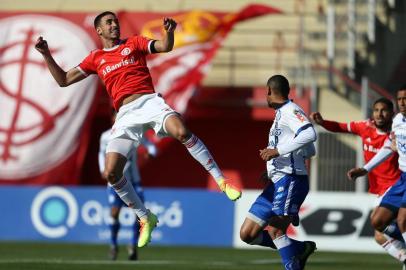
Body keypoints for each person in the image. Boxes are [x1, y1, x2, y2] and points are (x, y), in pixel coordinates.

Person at [34, 11, 241, 248]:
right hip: (125, 115)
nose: (114, 25)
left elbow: (164, 46)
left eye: (115, 21)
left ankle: (222, 181)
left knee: (182, 131)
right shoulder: (96, 58)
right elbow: (63, 80)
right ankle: (146, 218)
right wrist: (46, 54)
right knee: (112, 173)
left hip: (150, 102)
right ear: (99, 30)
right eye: (109, 22)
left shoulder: (133, 42)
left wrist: (169, 33)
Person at [310, 98, 406, 263]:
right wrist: (323, 122)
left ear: (392, 113)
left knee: (379, 222)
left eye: (384, 110)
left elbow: (391, 149)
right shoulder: (364, 127)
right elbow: (341, 127)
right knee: (379, 236)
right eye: (376, 110)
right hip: (379, 189)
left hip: (395, 185)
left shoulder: (398, 131)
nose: (379, 114)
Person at [239, 75, 317, 270]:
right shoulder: (280, 115)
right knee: (247, 234)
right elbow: (310, 150)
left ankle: (293, 264)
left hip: (291, 179)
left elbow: (310, 134)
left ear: (269, 91)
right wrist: (273, 169)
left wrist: (278, 151)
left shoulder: (291, 110)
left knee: (275, 229)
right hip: (276, 181)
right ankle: (299, 248)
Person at [348, 86, 406, 268]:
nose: (403, 103)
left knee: (403, 221)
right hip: (403, 179)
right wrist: (366, 169)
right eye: (400, 99)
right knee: (378, 221)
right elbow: (389, 146)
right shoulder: (397, 121)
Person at [99, 113, 157, 260]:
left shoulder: (134, 133)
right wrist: (102, 169)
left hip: (134, 180)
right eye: (115, 116)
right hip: (114, 182)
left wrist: (151, 152)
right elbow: (101, 154)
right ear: (112, 119)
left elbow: (151, 145)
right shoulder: (106, 136)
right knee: (114, 213)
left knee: (139, 213)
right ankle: (113, 245)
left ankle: (132, 245)